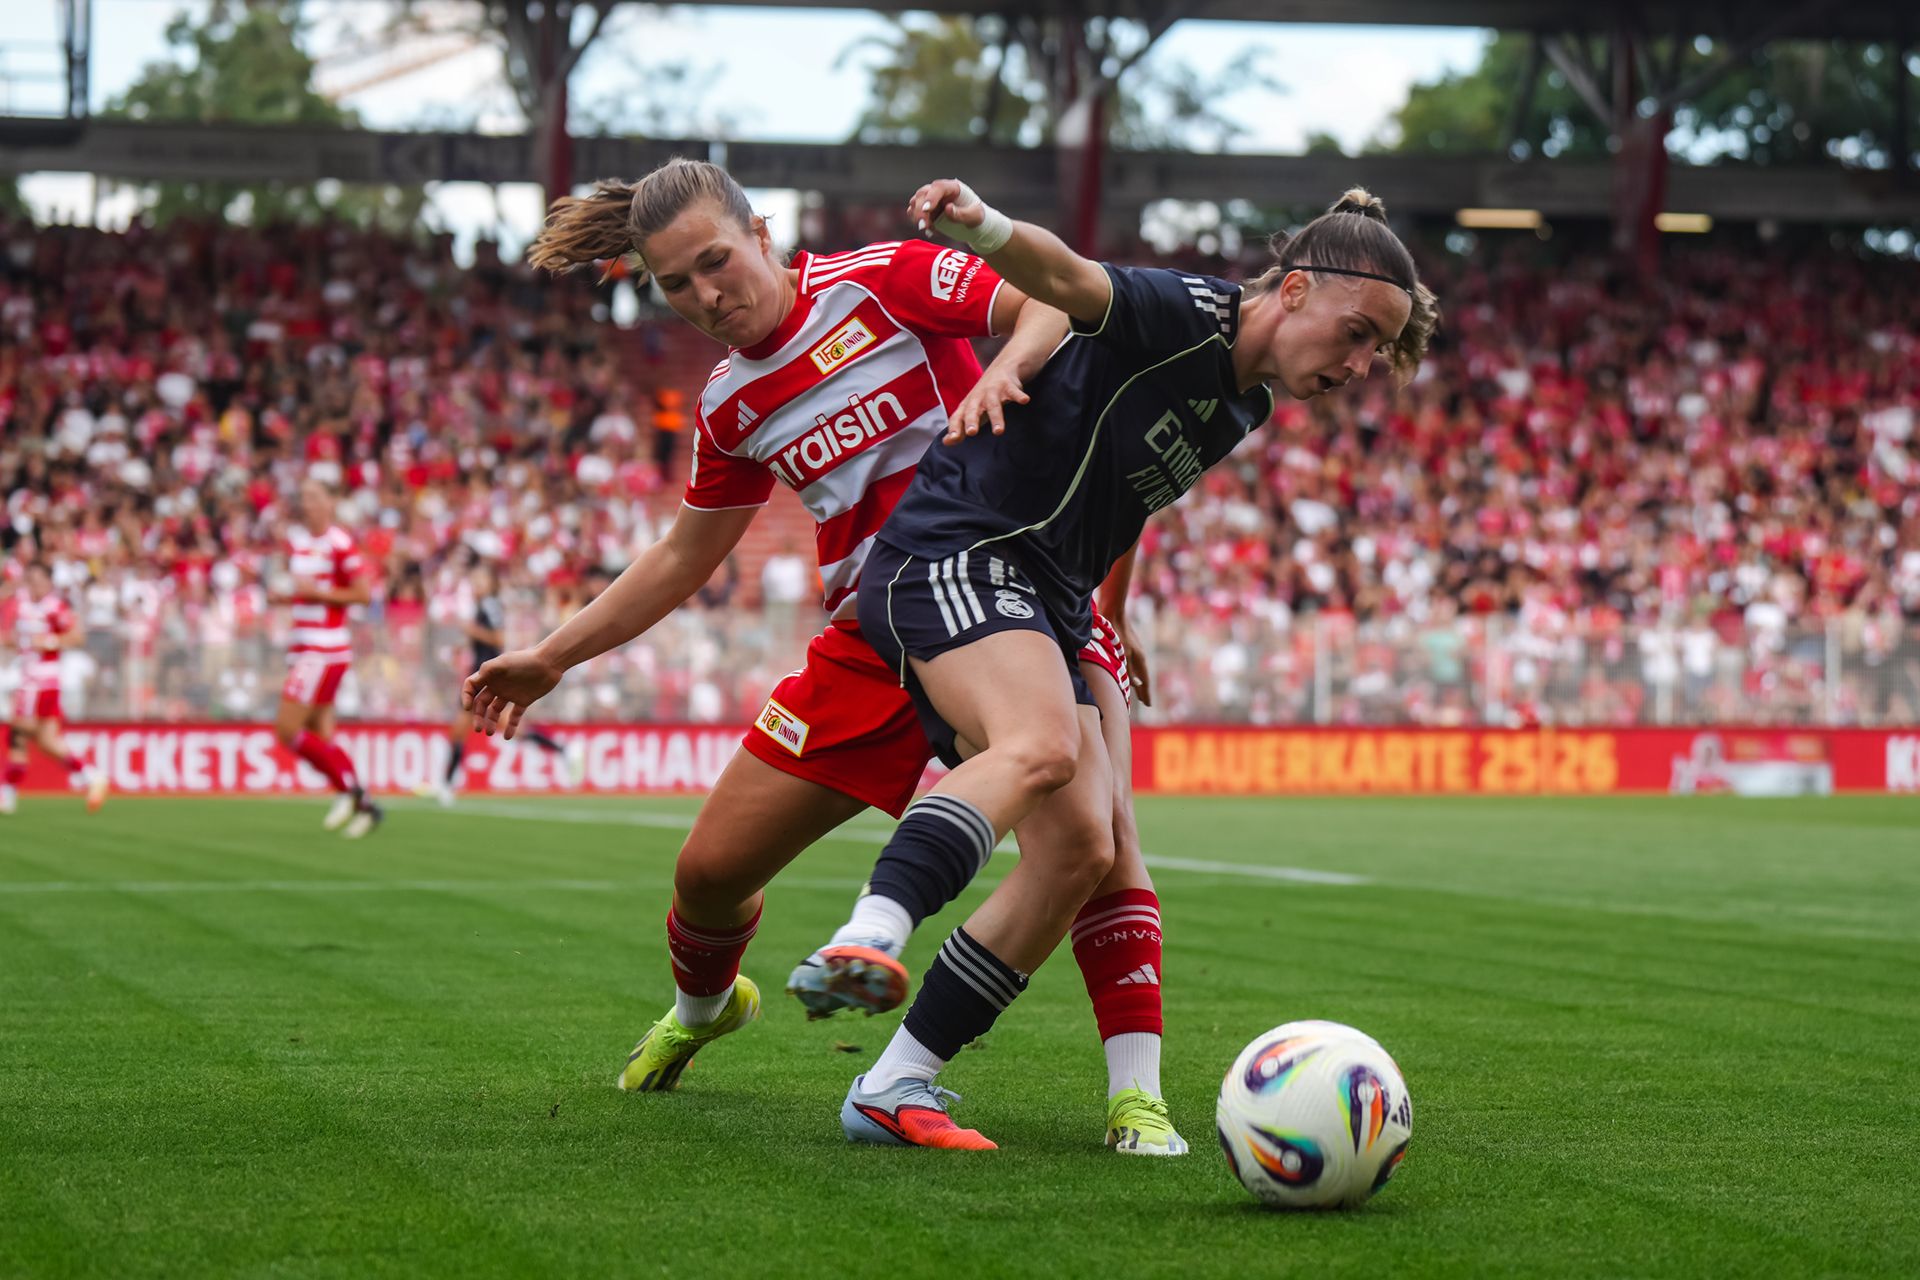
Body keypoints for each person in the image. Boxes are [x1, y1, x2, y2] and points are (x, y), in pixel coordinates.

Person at [463, 157, 1189, 1155]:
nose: (705, 294)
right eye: (675, 284)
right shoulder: (728, 402)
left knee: (1091, 844)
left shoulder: (881, 279)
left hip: (1005, 596)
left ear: (762, 232)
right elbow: (685, 553)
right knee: (710, 873)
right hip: (871, 635)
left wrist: (1004, 367)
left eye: (715, 261)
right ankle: (706, 1003)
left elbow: (1049, 307)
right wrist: (551, 654)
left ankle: (1121, 1094)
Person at [837, 179, 1436, 1149]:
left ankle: (895, 1081)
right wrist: (983, 224)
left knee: (1086, 846)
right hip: (967, 545)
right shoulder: (1189, 314)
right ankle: (870, 931)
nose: (1365, 363)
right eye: (1360, 331)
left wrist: (1111, 607)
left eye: (1381, 350)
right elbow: (1064, 277)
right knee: (1040, 748)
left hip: (1053, 592)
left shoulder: (1249, 405)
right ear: (1289, 292)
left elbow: (1127, 490)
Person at [269, 478, 382, 839]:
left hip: (324, 649)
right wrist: (289, 600)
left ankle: (351, 793)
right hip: (304, 646)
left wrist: (315, 593)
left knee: (288, 729)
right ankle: (362, 804)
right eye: (303, 497)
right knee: (321, 734)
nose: (308, 503)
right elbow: (307, 594)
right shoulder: (301, 545)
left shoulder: (340, 543)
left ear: (331, 502)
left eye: (315, 497)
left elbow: (363, 595)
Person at [417, 562, 578, 807]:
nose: (477, 584)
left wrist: (471, 631)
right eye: (475, 580)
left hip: (487, 674)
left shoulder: (490, 606)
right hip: (480, 673)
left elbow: (498, 638)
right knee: (472, 729)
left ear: (490, 583)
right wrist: (463, 644)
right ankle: (447, 785)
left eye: (481, 579)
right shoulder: (482, 607)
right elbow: (484, 638)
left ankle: (447, 786)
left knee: (480, 728)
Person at [1, 560, 110, 816]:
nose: (35, 586)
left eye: (40, 581)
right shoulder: (24, 605)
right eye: (32, 581)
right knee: (48, 740)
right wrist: (14, 642)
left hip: (42, 681)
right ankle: (91, 775)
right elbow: (19, 640)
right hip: (30, 676)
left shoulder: (54, 606)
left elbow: (77, 635)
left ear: (49, 582)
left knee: (18, 732)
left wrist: (49, 640)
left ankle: (7, 791)